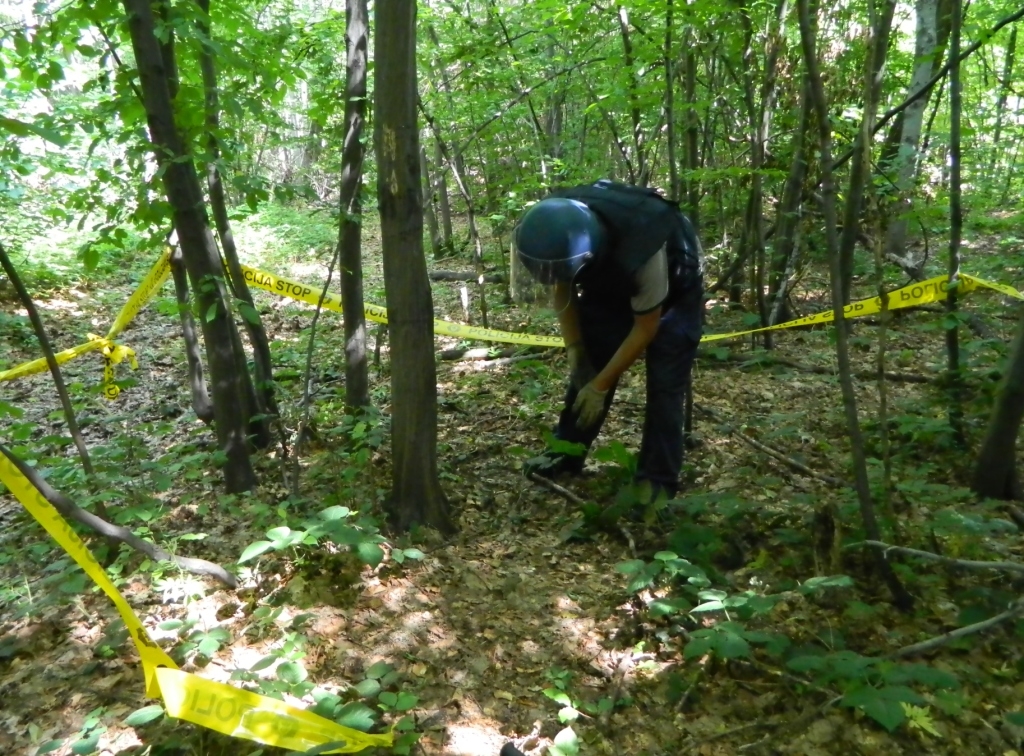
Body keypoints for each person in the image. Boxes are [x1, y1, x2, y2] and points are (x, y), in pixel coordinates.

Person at [514, 179, 704, 500]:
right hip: (607, 275)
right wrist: (577, 352)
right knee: (588, 365)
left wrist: (600, 387)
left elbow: (646, 328)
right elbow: (563, 288)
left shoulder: (645, 247)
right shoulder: (559, 228)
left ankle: (656, 483)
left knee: (665, 384)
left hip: (674, 284)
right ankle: (564, 455)